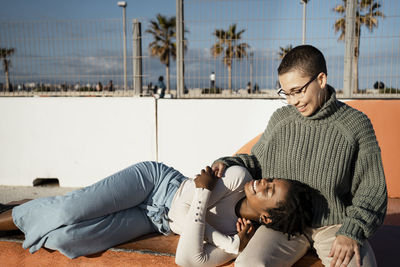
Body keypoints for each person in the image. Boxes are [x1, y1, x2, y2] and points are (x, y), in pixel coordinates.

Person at [212, 45, 387, 267]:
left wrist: (352, 231)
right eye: (286, 93)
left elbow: (372, 188)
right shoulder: (281, 119)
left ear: (321, 79)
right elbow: (257, 162)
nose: (292, 101)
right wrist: (227, 162)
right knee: (248, 264)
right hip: (284, 224)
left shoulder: (356, 125)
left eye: (298, 91)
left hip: (334, 225)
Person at [0, 161, 314, 265]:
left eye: (270, 190)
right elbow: (188, 211)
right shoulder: (238, 176)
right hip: (154, 183)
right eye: (272, 180)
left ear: (269, 218)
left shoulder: (243, 237)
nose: (264, 182)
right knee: (69, 207)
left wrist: (234, 245)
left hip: (155, 220)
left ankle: (30, 218)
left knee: (72, 238)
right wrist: (227, 241)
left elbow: (188, 260)